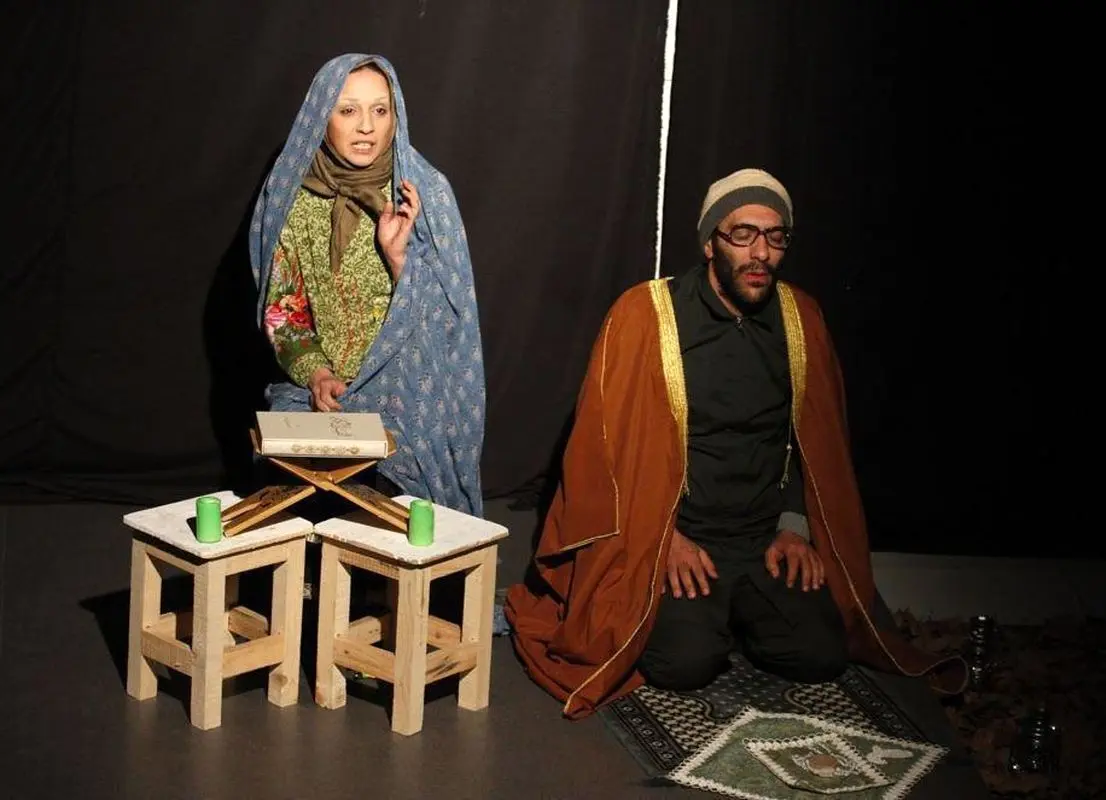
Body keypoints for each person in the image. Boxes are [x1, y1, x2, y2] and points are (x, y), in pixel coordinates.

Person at [504, 168, 966, 719]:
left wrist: (794, 527)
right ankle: (710, 617)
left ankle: (736, 610)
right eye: (742, 235)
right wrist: (665, 540)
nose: (760, 253)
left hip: (763, 536)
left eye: (775, 237)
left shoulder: (801, 319)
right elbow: (603, 454)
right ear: (710, 243)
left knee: (819, 656)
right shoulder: (646, 316)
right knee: (683, 664)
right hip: (675, 535)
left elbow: (815, 446)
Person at [248, 53, 485, 515]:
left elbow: (452, 326)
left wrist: (399, 260)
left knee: (397, 513)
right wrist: (316, 374)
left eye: (380, 110)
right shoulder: (291, 197)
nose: (366, 127)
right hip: (320, 389)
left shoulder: (424, 194)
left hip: (407, 388)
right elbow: (284, 310)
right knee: (289, 503)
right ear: (322, 116)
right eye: (348, 110)